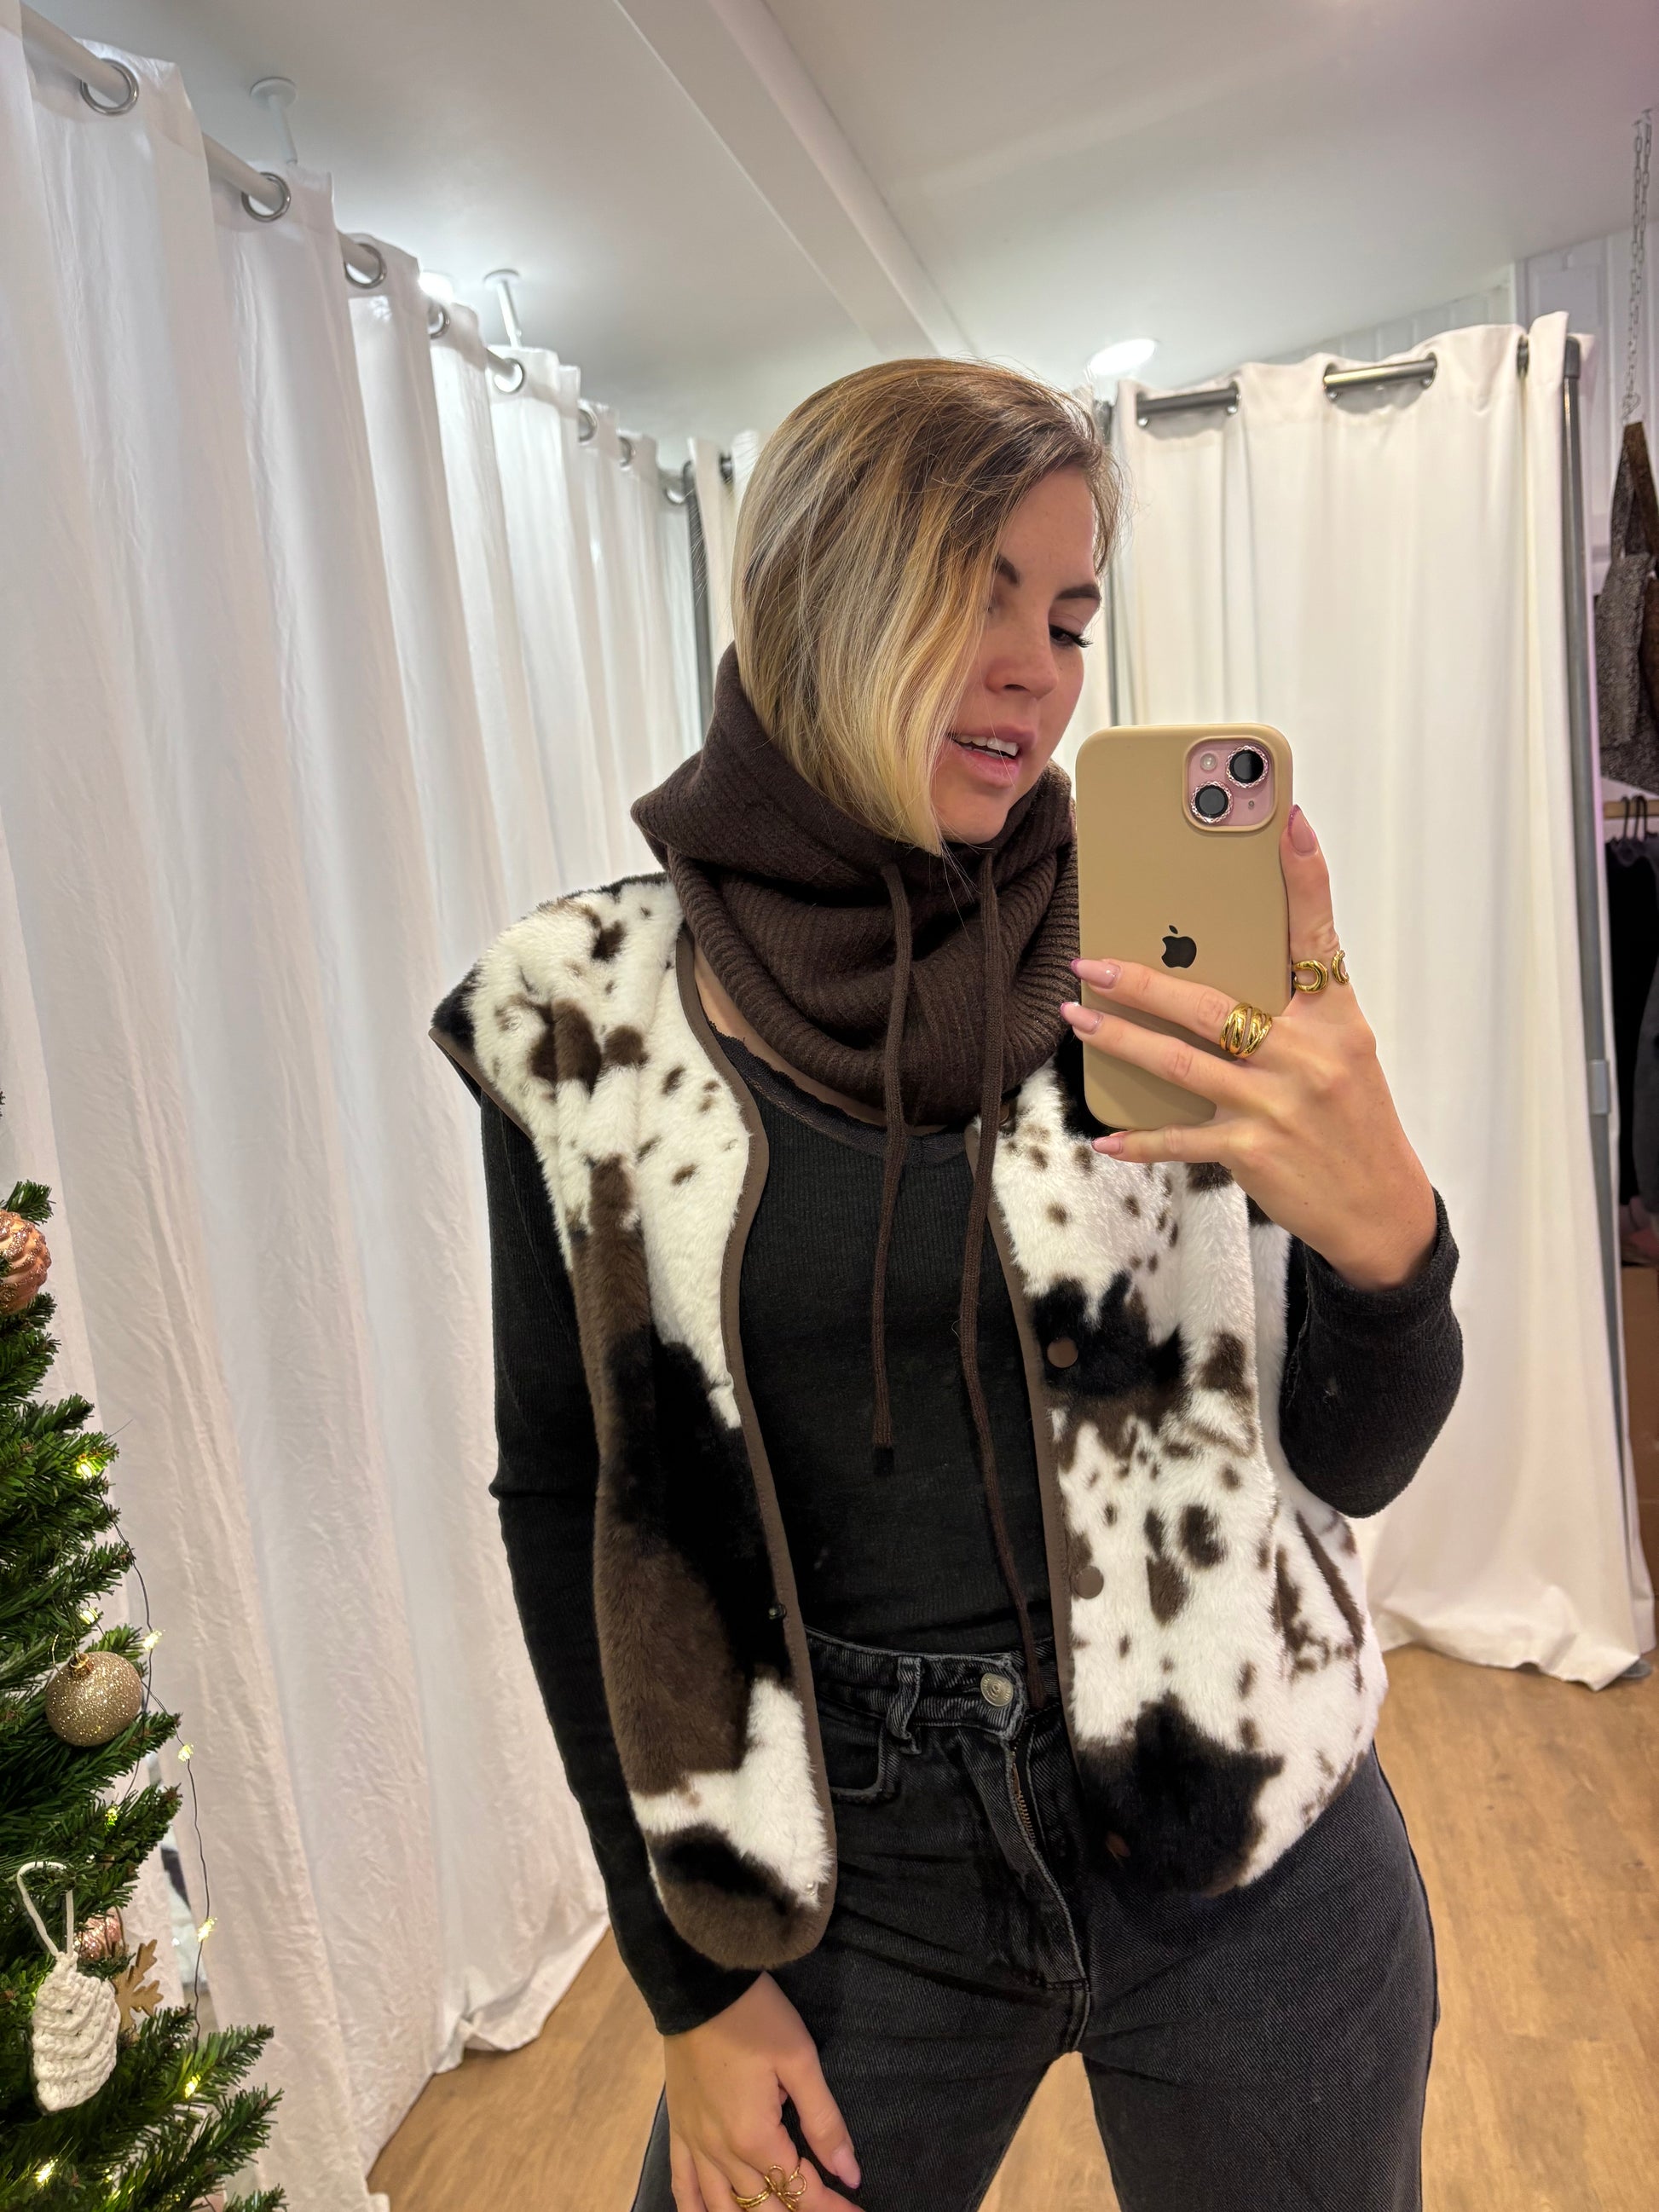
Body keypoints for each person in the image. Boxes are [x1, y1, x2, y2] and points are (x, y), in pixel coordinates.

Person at [431, 360, 1462, 2212]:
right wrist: (688, 1987)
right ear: (817, 592)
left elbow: (1353, 1459)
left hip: (1250, 1827)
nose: (1036, 673)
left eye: (1066, 617)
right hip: (848, 1881)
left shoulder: (1154, 968)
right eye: (975, 595)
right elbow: (567, 1499)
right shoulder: (580, 1013)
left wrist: (1390, 1238)